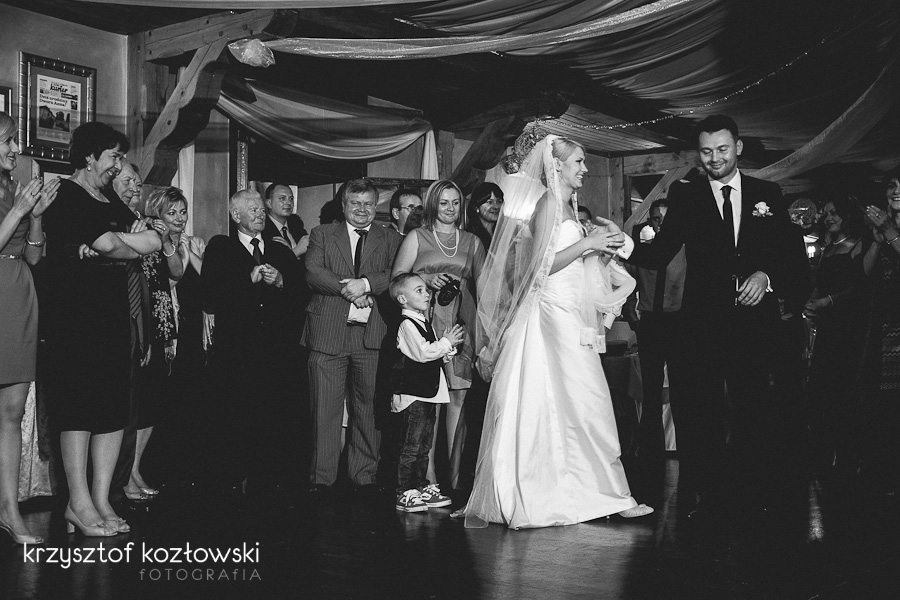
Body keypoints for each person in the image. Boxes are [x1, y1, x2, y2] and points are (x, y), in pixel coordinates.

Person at [619, 115, 810, 517]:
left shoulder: (766, 193)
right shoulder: (686, 195)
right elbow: (662, 252)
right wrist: (622, 244)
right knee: (701, 412)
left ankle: (752, 494)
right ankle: (707, 497)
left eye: (722, 149)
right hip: (702, 325)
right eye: (706, 152)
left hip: (754, 323)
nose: (714, 158)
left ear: (737, 147)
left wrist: (766, 276)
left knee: (751, 407)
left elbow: (788, 253)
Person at [460, 130, 652, 529]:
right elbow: (538, 269)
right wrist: (587, 244)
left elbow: (573, 262)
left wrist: (601, 249)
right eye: (579, 162)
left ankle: (598, 492)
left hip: (570, 313)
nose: (585, 169)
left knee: (578, 403)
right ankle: (599, 493)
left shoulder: (567, 207)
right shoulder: (548, 204)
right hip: (553, 314)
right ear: (558, 165)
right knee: (587, 399)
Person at [42, 121, 161, 536]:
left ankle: (101, 498)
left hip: (112, 314)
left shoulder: (109, 197)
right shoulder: (65, 194)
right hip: (74, 318)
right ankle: (77, 503)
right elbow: (114, 245)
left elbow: (152, 241)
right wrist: (118, 243)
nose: (118, 165)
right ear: (90, 157)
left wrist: (114, 242)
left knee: (111, 409)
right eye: (113, 156)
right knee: (78, 407)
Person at [304, 178, 402, 492]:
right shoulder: (322, 233)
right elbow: (313, 272)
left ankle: (364, 476)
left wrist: (367, 284)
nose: (362, 210)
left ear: (376, 206)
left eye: (368, 204)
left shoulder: (390, 238)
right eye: (355, 203)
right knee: (324, 410)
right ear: (344, 205)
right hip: (327, 334)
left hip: (371, 336)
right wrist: (351, 289)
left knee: (369, 410)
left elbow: (395, 274)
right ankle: (322, 479)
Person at [392, 179, 486, 490]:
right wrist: (426, 278)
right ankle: (427, 477)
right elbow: (397, 281)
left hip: (460, 322)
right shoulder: (417, 237)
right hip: (426, 321)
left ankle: (455, 478)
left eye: (455, 202)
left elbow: (487, 286)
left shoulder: (472, 241)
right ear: (433, 204)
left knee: (458, 396)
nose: (450, 208)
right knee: (427, 397)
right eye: (444, 202)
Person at [202, 189, 297, 495]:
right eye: (253, 210)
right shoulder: (221, 248)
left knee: (270, 413)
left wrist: (280, 281)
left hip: (274, 351)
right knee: (236, 412)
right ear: (236, 215)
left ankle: (265, 476)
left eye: (261, 210)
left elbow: (301, 293)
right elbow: (210, 295)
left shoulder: (280, 250)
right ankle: (234, 476)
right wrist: (248, 281)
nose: (260, 215)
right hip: (237, 351)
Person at [0, 112, 59, 544]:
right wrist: (19, 208)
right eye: (7, 141)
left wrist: (35, 215)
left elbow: (35, 256)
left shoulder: (14, 185)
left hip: (18, 292)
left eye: (14, 141)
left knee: (13, 411)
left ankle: (9, 509)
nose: (15, 149)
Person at [120, 187, 185, 500]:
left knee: (153, 401)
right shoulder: (140, 230)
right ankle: (126, 474)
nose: (179, 218)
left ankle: (134, 468)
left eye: (182, 212)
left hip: (161, 320)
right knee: (139, 401)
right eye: (172, 212)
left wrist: (167, 240)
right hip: (141, 320)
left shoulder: (165, 239)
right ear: (157, 211)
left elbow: (177, 271)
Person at [622, 198, 687, 481]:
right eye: (656, 219)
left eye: (665, 219)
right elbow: (627, 285)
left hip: (679, 323)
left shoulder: (685, 249)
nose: (660, 225)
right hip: (649, 324)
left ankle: (687, 451)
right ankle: (651, 452)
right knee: (650, 391)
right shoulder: (643, 251)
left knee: (682, 390)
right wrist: (634, 319)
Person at [388, 273, 464, 512]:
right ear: (402, 299)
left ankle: (420, 486)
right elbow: (422, 353)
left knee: (423, 445)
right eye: (419, 291)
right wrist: (445, 343)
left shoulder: (422, 323)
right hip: (414, 396)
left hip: (427, 394)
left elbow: (432, 354)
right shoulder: (406, 325)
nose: (427, 294)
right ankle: (404, 490)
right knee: (411, 446)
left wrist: (447, 348)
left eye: (426, 290)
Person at [804, 195, 865, 478]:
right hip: (826, 326)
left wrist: (827, 301)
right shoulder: (826, 249)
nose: (829, 218)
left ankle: (847, 458)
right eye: (826, 213)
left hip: (848, 326)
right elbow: (819, 284)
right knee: (821, 389)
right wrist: (811, 302)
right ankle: (822, 454)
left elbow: (859, 288)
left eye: (834, 213)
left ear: (846, 215)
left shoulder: (857, 245)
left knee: (843, 390)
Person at [859, 170, 900, 495]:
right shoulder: (883, 229)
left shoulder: (892, 230)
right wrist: (877, 239)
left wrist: (890, 233)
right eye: (892, 186)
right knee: (884, 401)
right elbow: (864, 273)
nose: (896, 191)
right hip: (884, 324)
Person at [466, 182, 503, 250]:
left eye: (499, 202)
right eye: (490, 202)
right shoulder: (470, 236)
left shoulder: (503, 233)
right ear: (477, 207)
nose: (496, 207)